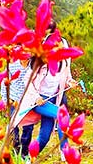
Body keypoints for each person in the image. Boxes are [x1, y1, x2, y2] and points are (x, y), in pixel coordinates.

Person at [12, 22, 76, 160]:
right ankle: (65, 153)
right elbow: (26, 81)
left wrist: (71, 82)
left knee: (45, 136)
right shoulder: (40, 62)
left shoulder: (64, 62)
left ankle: (28, 158)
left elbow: (67, 77)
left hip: (53, 99)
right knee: (62, 115)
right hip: (39, 101)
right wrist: (36, 97)